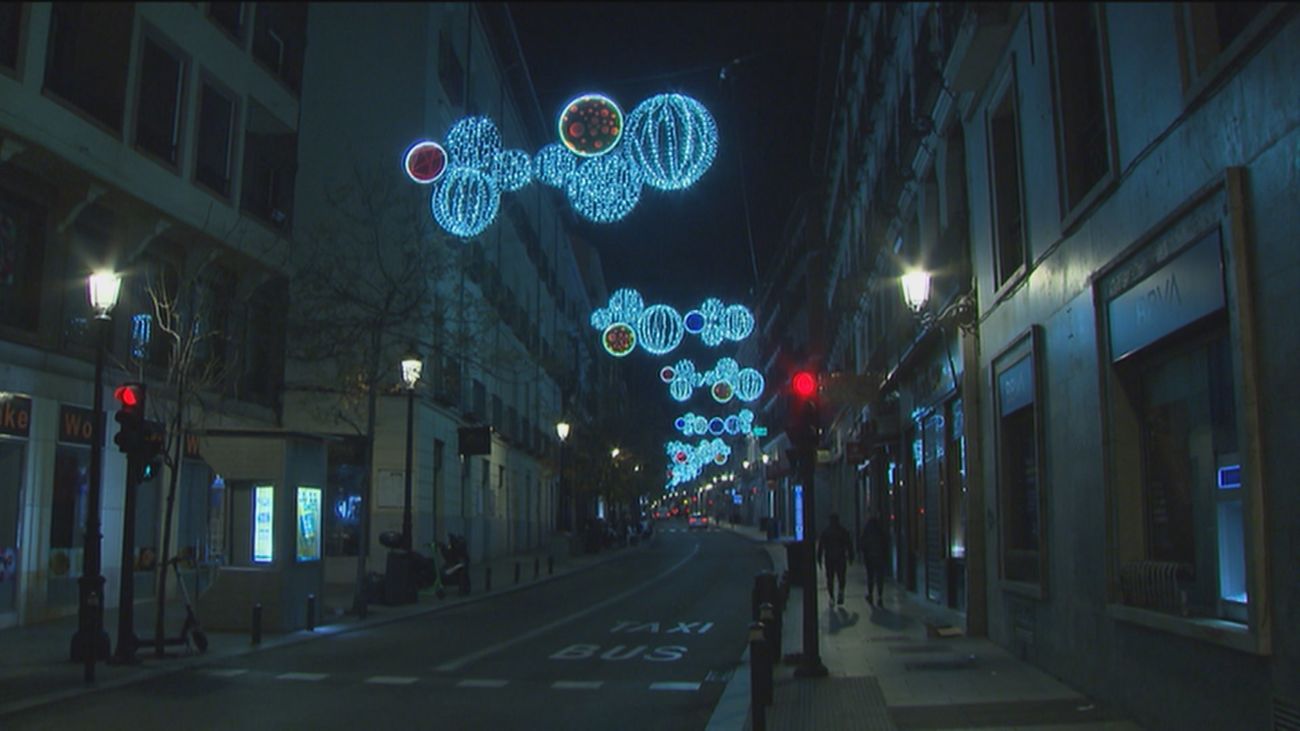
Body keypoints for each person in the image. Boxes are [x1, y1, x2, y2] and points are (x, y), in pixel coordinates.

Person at [816, 513, 853, 605]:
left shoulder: (826, 532)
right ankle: (840, 592)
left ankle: (832, 597)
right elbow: (849, 545)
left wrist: (819, 559)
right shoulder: (843, 531)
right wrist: (851, 556)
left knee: (830, 578)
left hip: (829, 558)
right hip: (841, 558)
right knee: (841, 577)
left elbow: (821, 547)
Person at [860, 510, 889, 607]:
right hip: (879, 558)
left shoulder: (867, 532)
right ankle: (880, 596)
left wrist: (864, 554)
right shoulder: (880, 532)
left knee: (870, 577)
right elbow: (885, 545)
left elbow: (862, 545)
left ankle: (870, 594)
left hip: (869, 559)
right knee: (879, 577)